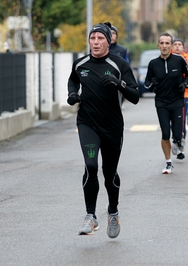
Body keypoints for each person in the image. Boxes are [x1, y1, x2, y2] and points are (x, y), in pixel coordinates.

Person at [67, 22, 139, 238]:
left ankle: (113, 211)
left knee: (109, 174)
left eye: (100, 38)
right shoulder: (80, 63)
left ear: (109, 41)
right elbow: (72, 81)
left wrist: (119, 84)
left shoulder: (119, 64)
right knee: (90, 165)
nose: (95, 42)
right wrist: (72, 95)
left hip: (112, 127)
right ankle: (90, 216)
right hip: (87, 123)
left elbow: (135, 96)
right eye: (92, 38)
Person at [144, 32, 188, 174]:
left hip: (177, 101)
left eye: (167, 43)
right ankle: (168, 163)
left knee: (177, 134)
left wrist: (184, 84)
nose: (164, 46)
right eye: (162, 43)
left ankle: (178, 140)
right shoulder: (153, 64)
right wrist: (152, 84)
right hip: (161, 102)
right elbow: (146, 82)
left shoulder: (179, 60)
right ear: (158, 45)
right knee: (165, 133)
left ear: (171, 46)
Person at [171, 38, 188, 156]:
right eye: (175, 45)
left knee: (183, 119)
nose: (177, 47)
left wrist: (186, 81)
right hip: (171, 94)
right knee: (173, 120)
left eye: (180, 45)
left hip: (186, 94)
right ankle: (176, 139)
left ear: (183, 48)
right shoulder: (167, 59)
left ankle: (181, 143)